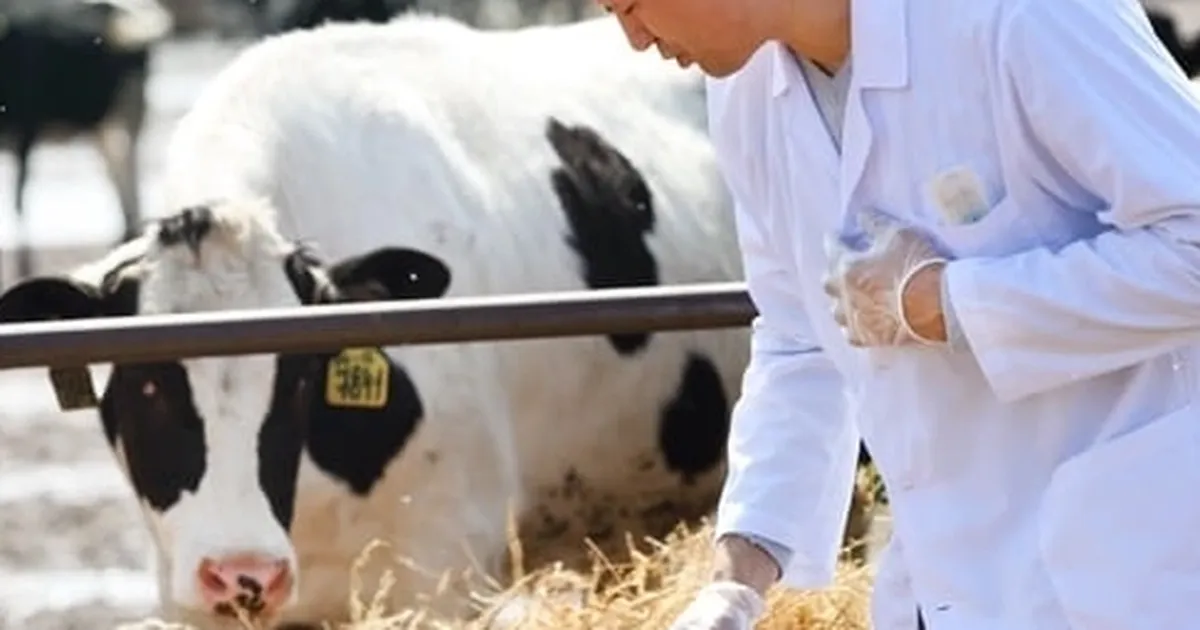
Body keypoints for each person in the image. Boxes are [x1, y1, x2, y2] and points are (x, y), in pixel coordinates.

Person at [597, 0, 1200, 628]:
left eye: (630, 5)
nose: (634, 39)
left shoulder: (1024, 15)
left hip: (1134, 576)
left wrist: (950, 303)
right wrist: (736, 582)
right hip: (942, 587)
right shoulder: (747, 92)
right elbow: (802, 335)